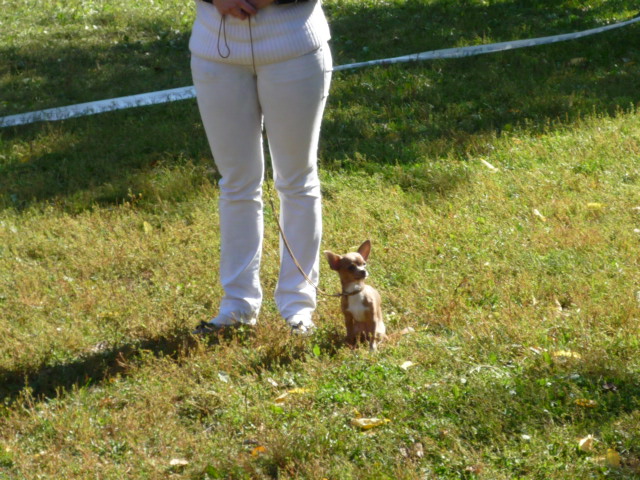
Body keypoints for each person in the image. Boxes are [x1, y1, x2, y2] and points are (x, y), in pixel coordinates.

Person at [189, 0, 332, 335]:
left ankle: (298, 307)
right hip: (215, 51)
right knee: (236, 183)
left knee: (297, 180)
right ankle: (237, 306)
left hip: (295, 45)